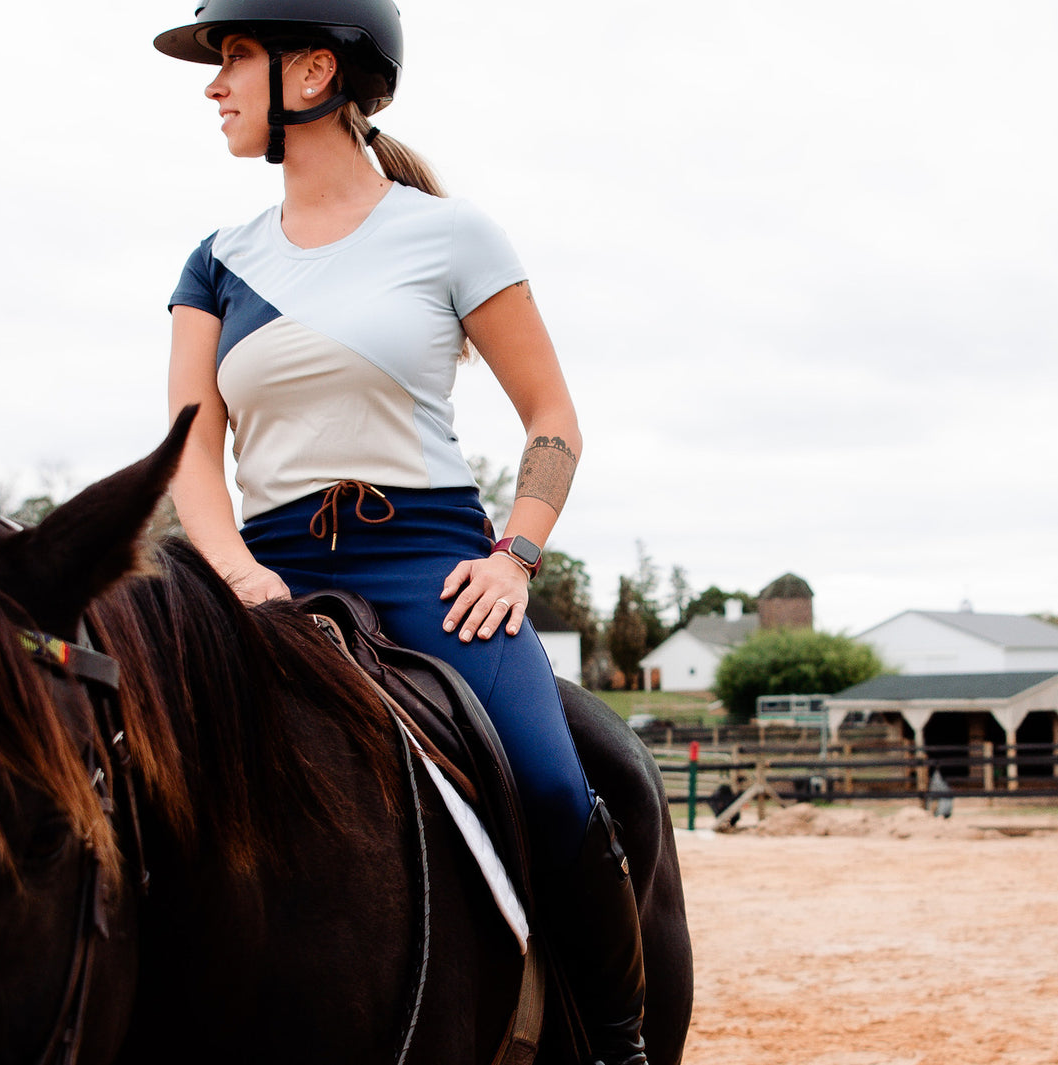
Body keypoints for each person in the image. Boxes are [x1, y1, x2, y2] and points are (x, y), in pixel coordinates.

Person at [155, 3, 647, 1062]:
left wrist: (515, 556)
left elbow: (552, 418)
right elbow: (191, 448)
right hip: (263, 576)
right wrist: (234, 572)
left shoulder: (450, 235)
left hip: (431, 566)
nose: (213, 84)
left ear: (313, 73)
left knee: (553, 787)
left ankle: (618, 1046)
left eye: (234, 57)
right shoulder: (216, 262)